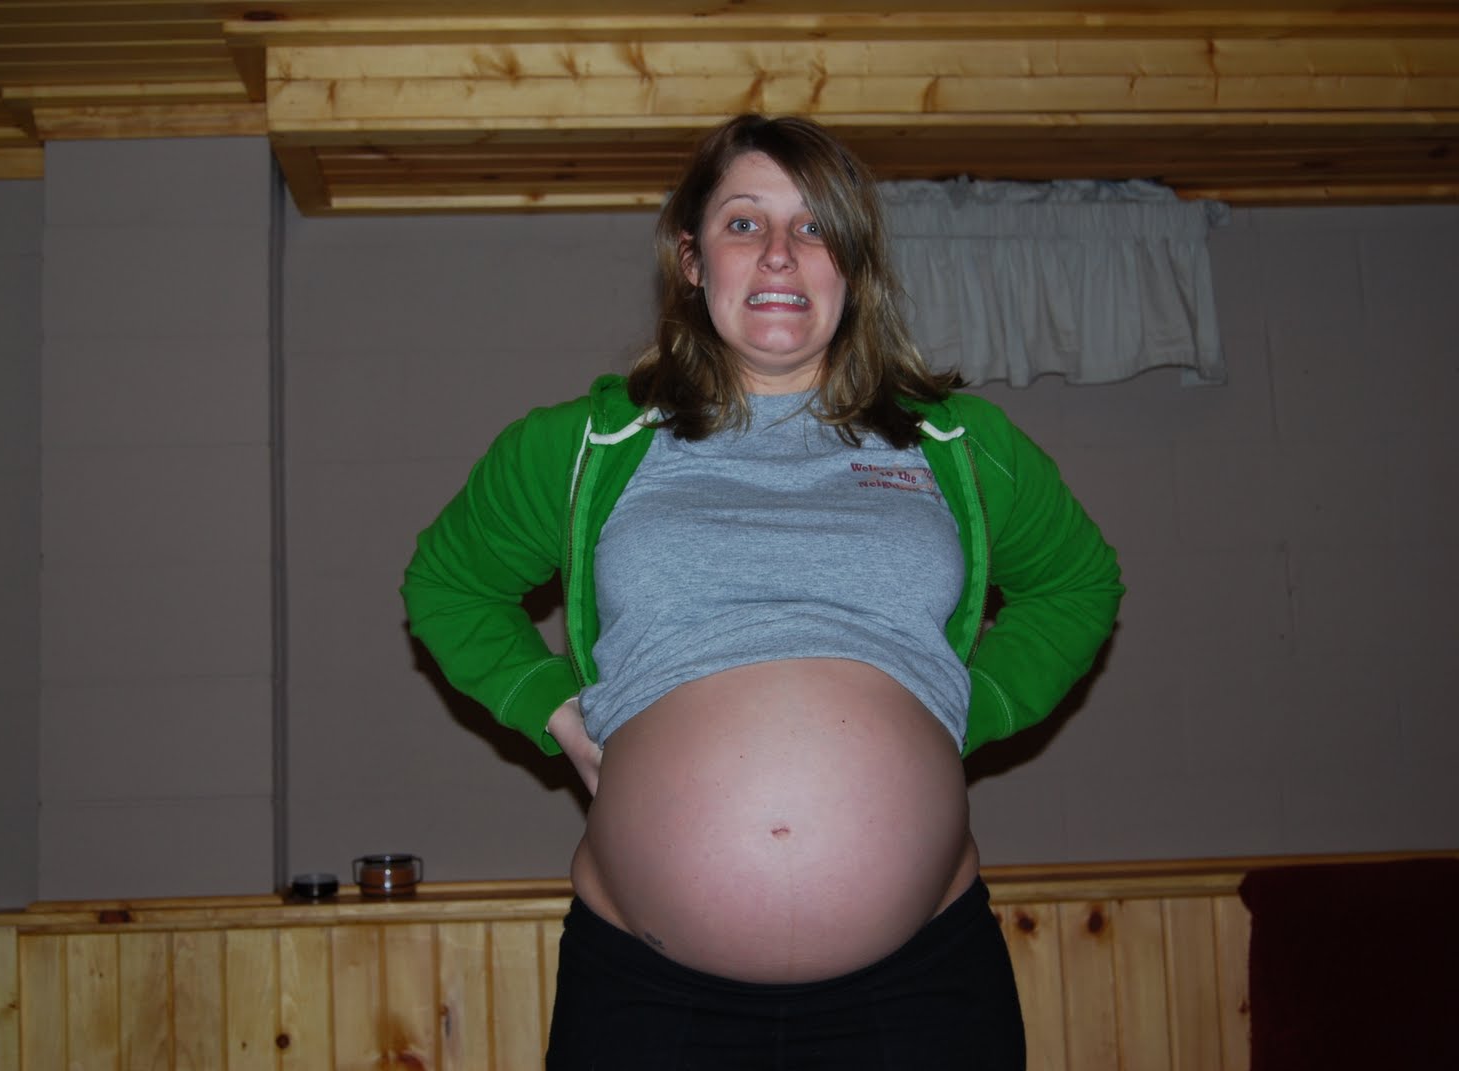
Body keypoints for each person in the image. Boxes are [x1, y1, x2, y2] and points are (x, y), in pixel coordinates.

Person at [402, 114, 1122, 1070]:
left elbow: (1078, 582)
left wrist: (969, 704)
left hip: (920, 989)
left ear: (854, 267)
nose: (781, 251)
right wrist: (557, 714)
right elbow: (448, 583)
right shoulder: (582, 444)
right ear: (691, 259)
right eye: (744, 223)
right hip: (649, 997)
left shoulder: (958, 444)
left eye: (816, 226)